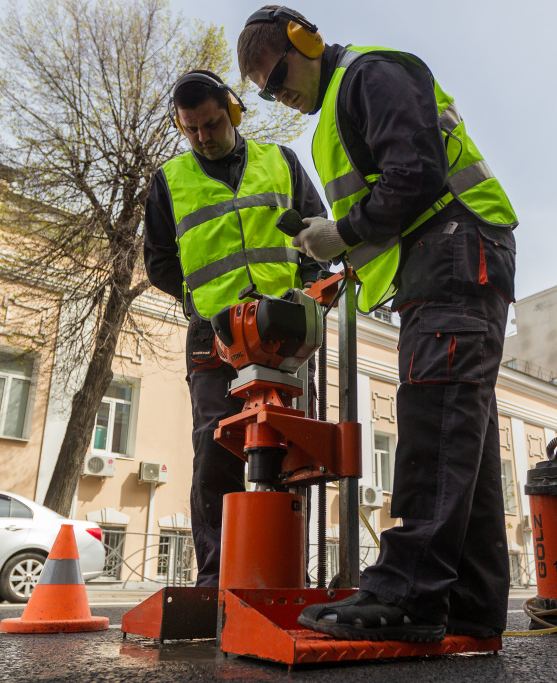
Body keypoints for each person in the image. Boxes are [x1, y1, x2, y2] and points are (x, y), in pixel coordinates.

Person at [238, 7, 519, 642]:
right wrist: (336, 242)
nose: (277, 93)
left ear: (306, 40)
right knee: (460, 436)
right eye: (264, 90)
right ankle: (469, 607)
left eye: (278, 74)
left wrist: (343, 230)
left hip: (452, 250)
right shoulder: (341, 103)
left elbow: (413, 175)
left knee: (433, 420)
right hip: (445, 259)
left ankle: (407, 595)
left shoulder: (371, 75)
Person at [143, 70, 327, 587]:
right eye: (192, 128)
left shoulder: (281, 162)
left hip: (286, 329)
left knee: (293, 447)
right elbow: (159, 261)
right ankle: (216, 578)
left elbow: (317, 234)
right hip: (214, 336)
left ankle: (286, 572)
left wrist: (307, 290)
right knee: (214, 449)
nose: (204, 136)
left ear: (234, 111)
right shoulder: (168, 181)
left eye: (213, 123)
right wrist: (201, 302)